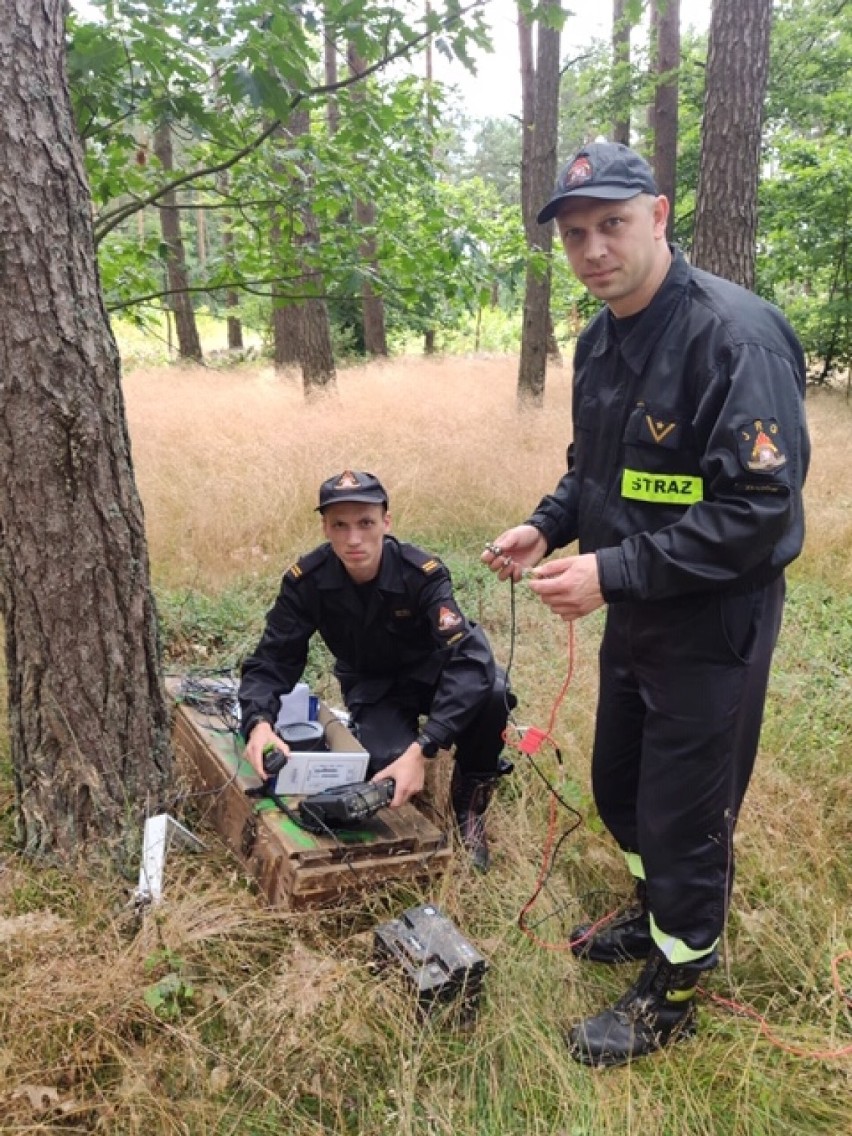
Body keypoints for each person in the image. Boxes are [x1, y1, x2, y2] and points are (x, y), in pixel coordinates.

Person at [483, 142, 810, 1066]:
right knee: (620, 790)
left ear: (659, 215)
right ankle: (647, 910)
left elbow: (758, 513)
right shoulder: (600, 339)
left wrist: (612, 573)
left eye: (612, 225)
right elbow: (596, 471)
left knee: (683, 815)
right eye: (575, 234)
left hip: (715, 621)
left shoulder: (733, 338)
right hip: (637, 610)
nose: (592, 249)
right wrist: (547, 528)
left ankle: (674, 986)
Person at [239, 469, 513, 871]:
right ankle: (402, 761)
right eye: (340, 526)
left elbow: (470, 660)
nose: (353, 539)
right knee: (386, 772)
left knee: (492, 692)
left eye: (366, 523)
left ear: (386, 521)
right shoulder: (307, 582)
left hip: (434, 677)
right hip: (375, 687)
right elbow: (272, 660)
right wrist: (258, 722)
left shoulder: (422, 575)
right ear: (325, 528)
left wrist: (426, 746)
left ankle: (470, 803)